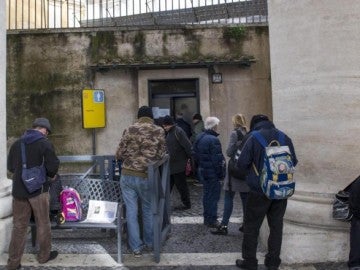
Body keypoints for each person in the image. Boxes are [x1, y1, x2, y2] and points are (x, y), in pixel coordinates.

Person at [235, 114, 298, 270]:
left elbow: (241, 164)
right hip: (281, 189)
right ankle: (273, 261)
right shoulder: (284, 137)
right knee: (276, 226)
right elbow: (293, 161)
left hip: (259, 190)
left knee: (251, 226)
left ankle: (250, 261)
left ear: (254, 124)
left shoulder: (253, 137)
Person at [7, 118, 60, 270]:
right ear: (44, 130)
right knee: (43, 223)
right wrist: (49, 174)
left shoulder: (17, 144)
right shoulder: (44, 143)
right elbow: (53, 167)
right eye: (47, 132)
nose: (47, 134)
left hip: (19, 191)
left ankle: (13, 263)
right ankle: (44, 256)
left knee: (19, 226)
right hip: (38, 191)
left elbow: (11, 167)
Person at [115, 106, 166, 257]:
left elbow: (119, 153)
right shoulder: (159, 131)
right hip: (146, 175)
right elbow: (162, 154)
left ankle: (135, 247)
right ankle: (150, 243)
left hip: (128, 175)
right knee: (148, 210)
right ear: (151, 117)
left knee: (131, 211)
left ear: (138, 117)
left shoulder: (129, 129)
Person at [211, 113, 249, 235]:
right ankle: (246, 224)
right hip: (245, 170)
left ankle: (224, 225)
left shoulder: (235, 133)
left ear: (235, 122)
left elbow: (228, 152)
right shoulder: (248, 133)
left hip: (234, 171)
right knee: (245, 198)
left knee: (228, 197)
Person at [192, 116, 226, 228]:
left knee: (207, 195)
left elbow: (194, 155)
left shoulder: (200, 137)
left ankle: (207, 218)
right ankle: (212, 220)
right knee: (213, 197)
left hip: (203, 170)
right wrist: (221, 175)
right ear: (214, 126)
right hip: (212, 173)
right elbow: (218, 161)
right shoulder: (213, 140)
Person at [162, 115, 192, 210]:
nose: (164, 127)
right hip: (172, 165)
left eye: (165, 126)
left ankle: (187, 204)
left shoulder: (178, 131)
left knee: (181, 186)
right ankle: (163, 203)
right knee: (169, 185)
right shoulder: (170, 132)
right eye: (163, 126)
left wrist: (189, 159)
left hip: (179, 164)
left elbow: (187, 146)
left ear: (170, 124)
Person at [349, 175, 360, 270]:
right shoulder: (358, 182)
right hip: (358, 218)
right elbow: (354, 202)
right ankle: (355, 265)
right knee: (357, 241)